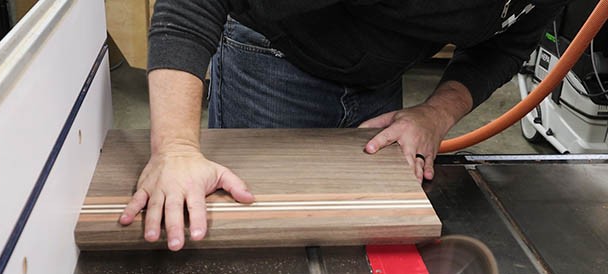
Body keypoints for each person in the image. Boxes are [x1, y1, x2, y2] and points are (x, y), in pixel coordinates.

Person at [119, 0, 569, 251]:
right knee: (261, 252)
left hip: (378, 68)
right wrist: (176, 148)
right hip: (279, 57)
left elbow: (509, 42)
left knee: (359, 251)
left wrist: (435, 114)